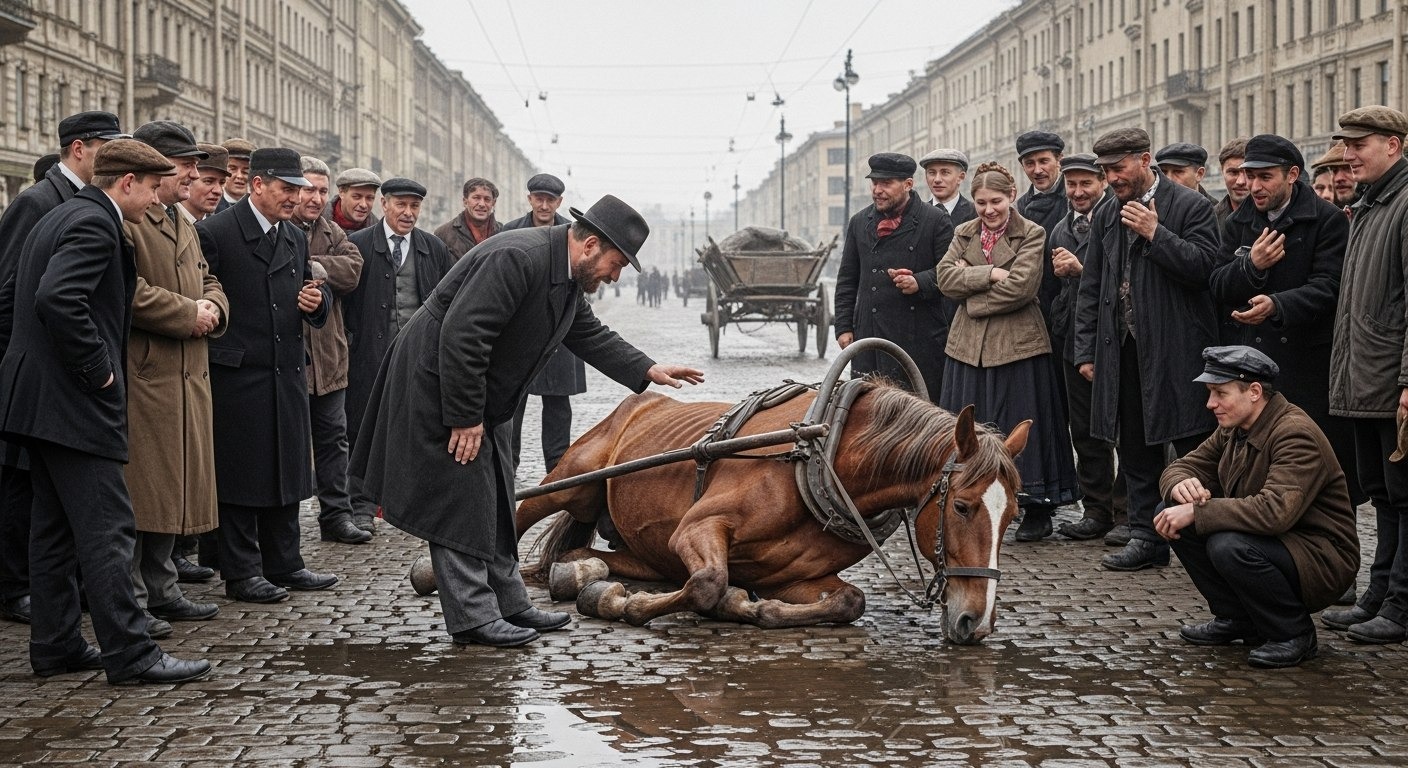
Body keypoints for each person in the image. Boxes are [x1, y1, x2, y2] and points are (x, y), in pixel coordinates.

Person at [349, 195, 704, 647]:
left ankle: (510, 600)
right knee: (457, 496)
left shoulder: (565, 274)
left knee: (496, 492)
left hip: (480, 394)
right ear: (591, 245)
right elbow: (463, 336)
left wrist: (647, 368)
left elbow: (587, 333)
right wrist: (464, 417)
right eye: (616, 265)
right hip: (439, 382)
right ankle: (474, 617)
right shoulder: (518, 257)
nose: (615, 277)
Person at [0, 139, 210, 683]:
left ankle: (56, 645)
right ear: (127, 183)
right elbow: (58, 299)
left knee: (53, 531)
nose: (156, 200)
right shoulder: (95, 223)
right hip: (72, 403)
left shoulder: (65, 212)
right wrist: (98, 368)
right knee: (109, 527)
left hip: (36, 401)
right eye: (151, 188)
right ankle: (132, 653)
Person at [0, 110, 128, 626]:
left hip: (49, 381)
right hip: (55, 383)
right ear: (80, 148)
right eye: (108, 148)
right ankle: (17, 592)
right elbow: (14, 297)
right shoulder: (39, 201)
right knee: (34, 502)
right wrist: (91, 368)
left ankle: (57, 636)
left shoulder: (76, 204)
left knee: (50, 517)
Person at [1073, 127, 1220, 571]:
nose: (1112, 178)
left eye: (1118, 169)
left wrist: (1157, 233)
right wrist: (1086, 350)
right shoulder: (1106, 214)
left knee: (1193, 445)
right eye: (1106, 171)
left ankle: (1203, 537)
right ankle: (1146, 536)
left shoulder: (1190, 206)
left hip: (1179, 351)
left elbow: (1205, 270)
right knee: (1134, 447)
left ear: (1144, 160)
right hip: (1123, 351)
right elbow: (1092, 286)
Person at [1156, 346, 1357, 668]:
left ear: (1254, 392)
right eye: (1210, 393)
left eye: (1220, 393)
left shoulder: (1294, 434)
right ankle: (1238, 619)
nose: (1211, 404)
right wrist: (1179, 485)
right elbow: (1182, 466)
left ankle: (1294, 634)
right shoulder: (1234, 426)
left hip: (1322, 557)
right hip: (1282, 543)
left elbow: (1275, 511)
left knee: (1229, 545)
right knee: (1168, 511)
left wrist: (1198, 510)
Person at [196, 147, 335, 604]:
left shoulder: (293, 238)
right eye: (287, 189)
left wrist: (318, 305)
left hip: (286, 371)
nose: (295, 198)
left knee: (288, 470)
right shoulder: (215, 232)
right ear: (257, 185)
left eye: (299, 189)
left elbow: (308, 295)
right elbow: (203, 296)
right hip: (238, 375)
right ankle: (241, 570)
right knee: (240, 475)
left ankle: (286, 562)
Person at [1208, 133, 1362, 512]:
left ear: (1292, 174)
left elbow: (1331, 287)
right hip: (1254, 367)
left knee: (1314, 466)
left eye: (1265, 177)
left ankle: (1324, 551)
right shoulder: (1238, 221)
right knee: (1258, 466)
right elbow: (1217, 283)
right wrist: (1252, 265)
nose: (1253, 186)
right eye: (1248, 176)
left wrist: (1276, 305)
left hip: (1307, 366)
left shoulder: (1325, 220)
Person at [937, 162, 1078, 540]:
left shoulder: (1032, 232)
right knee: (969, 427)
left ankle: (1035, 507)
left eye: (995, 201)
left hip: (1018, 346)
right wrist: (990, 274)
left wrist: (973, 296)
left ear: (1011, 196)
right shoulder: (964, 231)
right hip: (968, 348)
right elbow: (945, 279)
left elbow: (1023, 288)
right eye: (981, 202)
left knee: (1022, 423)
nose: (988, 210)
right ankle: (966, 496)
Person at [124, 121, 227, 634]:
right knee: (148, 489)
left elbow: (209, 277)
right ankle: (138, 597)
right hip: (151, 372)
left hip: (187, 372)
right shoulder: (132, 220)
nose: (193, 173)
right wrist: (188, 313)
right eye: (184, 165)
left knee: (178, 485)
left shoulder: (179, 220)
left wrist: (212, 306)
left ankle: (164, 587)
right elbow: (130, 289)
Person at [1322, 106, 1408, 644]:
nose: (1348, 157)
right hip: (1364, 381)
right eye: (1346, 146)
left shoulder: (1402, 204)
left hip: (1390, 385)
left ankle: (1400, 606)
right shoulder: (1370, 205)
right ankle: (1380, 594)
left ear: (1394, 145)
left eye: (1360, 145)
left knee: (1404, 497)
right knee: (1381, 494)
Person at [344, 178, 453, 533]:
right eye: (401, 205)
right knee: (362, 426)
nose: (408, 213)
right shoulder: (358, 245)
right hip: (368, 355)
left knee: (416, 425)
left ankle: (412, 503)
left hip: (417, 356)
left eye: (414, 207)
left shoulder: (432, 248)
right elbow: (346, 305)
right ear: (384, 205)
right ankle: (361, 503)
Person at [1048, 153, 1127, 542]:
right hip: (1073, 340)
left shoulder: (1121, 219)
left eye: (1086, 184)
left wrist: (1082, 269)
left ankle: (1128, 511)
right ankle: (1096, 509)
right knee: (1084, 429)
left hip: (1117, 337)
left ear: (1103, 184)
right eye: (1072, 185)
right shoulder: (1061, 230)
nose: (1078, 192)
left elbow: (1126, 278)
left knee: (1128, 427)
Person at [833, 153, 954, 402]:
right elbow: (847, 279)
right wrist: (844, 326)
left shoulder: (935, 220)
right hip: (870, 334)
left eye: (886, 183)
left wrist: (919, 281)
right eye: (874, 183)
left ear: (908, 184)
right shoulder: (859, 222)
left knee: (919, 412)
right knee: (869, 411)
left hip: (920, 338)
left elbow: (951, 272)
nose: (877, 190)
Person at [294, 156, 368, 545]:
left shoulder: (332, 231)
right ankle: (283, 522)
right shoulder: (282, 227)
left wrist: (309, 266)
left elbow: (352, 270)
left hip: (330, 360)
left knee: (334, 440)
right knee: (289, 444)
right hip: (292, 362)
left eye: (322, 191)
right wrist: (315, 268)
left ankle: (335, 515)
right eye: (309, 189)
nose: (315, 197)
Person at [502, 174, 584, 475]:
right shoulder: (510, 231)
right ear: (530, 200)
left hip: (559, 334)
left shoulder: (573, 234)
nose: (544, 205)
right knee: (509, 406)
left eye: (550, 200)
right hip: (518, 335)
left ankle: (557, 472)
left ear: (559, 202)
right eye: (539, 198)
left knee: (558, 410)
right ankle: (506, 468)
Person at [434, 178, 502, 260]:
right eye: (476, 198)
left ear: (493, 203)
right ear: (465, 202)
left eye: (487, 199)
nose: (482, 204)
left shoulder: (503, 232)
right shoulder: (444, 233)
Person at [918, 148, 976, 225]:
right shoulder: (918, 214)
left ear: (960, 177)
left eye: (945, 172)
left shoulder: (975, 213)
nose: (937, 179)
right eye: (932, 173)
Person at [178, 143, 230, 224]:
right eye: (209, 181)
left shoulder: (220, 226)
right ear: (188, 180)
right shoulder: (168, 223)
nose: (218, 191)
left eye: (222, 183)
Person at [328, 168, 381, 234]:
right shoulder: (316, 220)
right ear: (341, 192)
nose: (363, 205)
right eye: (357, 197)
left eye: (369, 198)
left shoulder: (379, 233)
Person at [1213, 137, 1249, 230]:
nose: (1240, 181)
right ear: (1222, 172)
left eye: (1248, 173)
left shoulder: (1276, 218)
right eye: (1233, 172)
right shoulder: (1208, 221)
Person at [214, 138, 254, 214]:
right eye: (233, 169)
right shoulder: (210, 207)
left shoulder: (259, 210)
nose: (239, 176)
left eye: (245, 171)